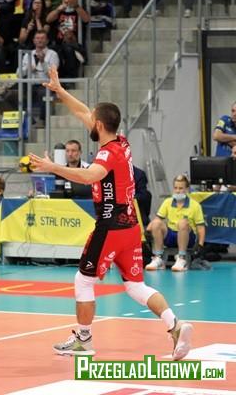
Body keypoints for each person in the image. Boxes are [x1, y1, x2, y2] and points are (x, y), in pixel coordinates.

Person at [28, 66, 193, 361]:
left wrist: (52, 167)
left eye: (92, 119)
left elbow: (89, 176)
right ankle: (175, 326)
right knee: (135, 286)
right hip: (130, 226)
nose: (87, 120)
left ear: (100, 125)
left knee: (83, 281)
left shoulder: (107, 154)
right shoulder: (121, 141)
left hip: (111, 227)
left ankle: (83, 340)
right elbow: (83, 112)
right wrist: (60, 91)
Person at [146, 175, 205, 272]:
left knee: (182, 223)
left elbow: (201, 227)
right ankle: (158, 258)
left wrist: (200, 245)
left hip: (188, 237)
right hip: (171, 236)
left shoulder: (195, 205)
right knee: (156, 223)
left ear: (187, 189)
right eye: (176, 188)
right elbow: (157, 219)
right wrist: (148, 231)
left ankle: (182, 259)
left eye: (181, 188)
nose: (177, 191)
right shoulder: (167, 202)